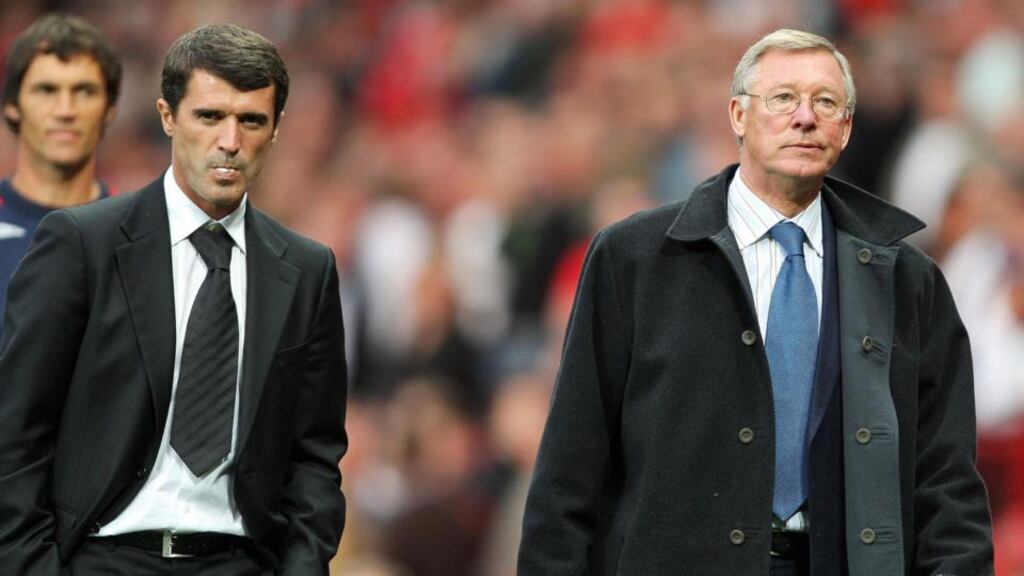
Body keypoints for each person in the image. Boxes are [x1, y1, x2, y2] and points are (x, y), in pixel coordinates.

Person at [518, 29, 993, 575]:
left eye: (826, 102)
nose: (805, 117)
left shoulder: (909, 281)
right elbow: (568, 476)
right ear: (737, 116)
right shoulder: (633, 260)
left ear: (846, 128)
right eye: (783, 98)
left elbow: (948, 486)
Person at [0, 23, 348, 574]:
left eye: (251, 120)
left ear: (276, 128)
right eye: (209, 116)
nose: (230, 141)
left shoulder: (306, 271)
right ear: (168, 116)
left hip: (240, 561)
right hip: (102, 558)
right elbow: (15, 430)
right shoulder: (83, 245)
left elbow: (315, 457)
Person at [0, 13, 121, 332]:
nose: (66, 110)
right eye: (46, 90)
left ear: (110, 109)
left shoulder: (137, 234)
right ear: (12, 105)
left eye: (84, 91)